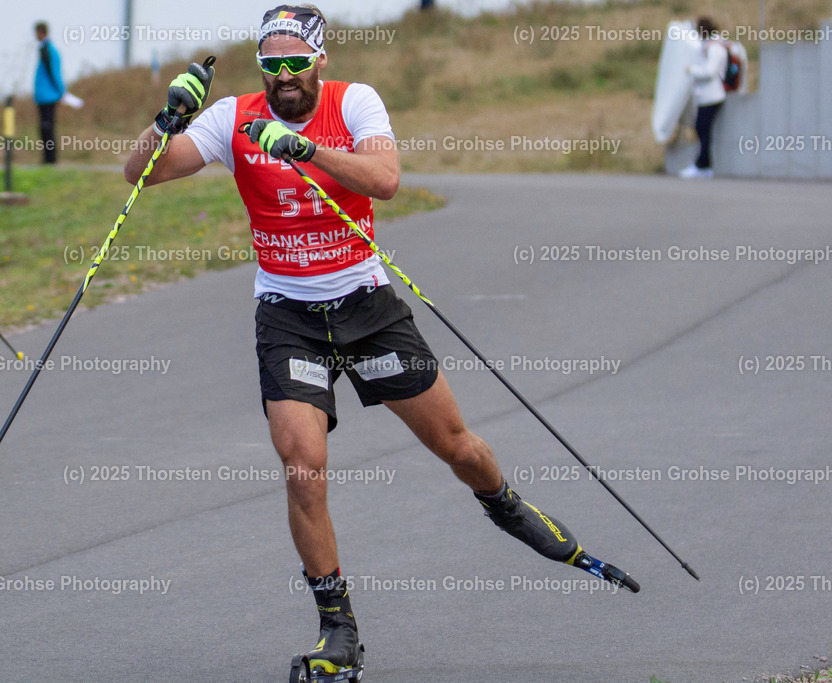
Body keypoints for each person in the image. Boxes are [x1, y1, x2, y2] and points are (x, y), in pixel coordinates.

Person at [124, 4, 612, 676]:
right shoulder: (232, 117)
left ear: (321, 60)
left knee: (456, 446)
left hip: (366, 304)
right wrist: (165, 120)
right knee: (302, 463)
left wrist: (303, 148)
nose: (285, 74)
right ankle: (339, 629)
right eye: (273, 63)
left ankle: (502, 502)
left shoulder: (356, 102)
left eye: (298, 61)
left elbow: (385, 178)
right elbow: (140, 175)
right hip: (288, 313)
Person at [680, 16, 727, 179]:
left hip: (712, 96)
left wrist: (691, 69)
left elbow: (709, 71)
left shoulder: (714, 48)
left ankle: (703, 165)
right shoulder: (710, 45)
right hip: (706, 97)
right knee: (702, 130)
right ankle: (703, 165)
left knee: (703, 130)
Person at [34, 21, 65, 164]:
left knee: (47, 129)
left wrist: (61, 92)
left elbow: (54, 73)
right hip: (44, 96)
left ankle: (50, 160)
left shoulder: (47, 50)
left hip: (48, 97)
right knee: (45, 130)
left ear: (40, 32)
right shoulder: (46, 49)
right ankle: (48, 159)